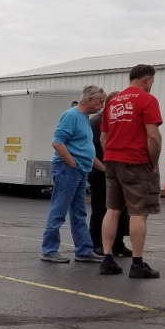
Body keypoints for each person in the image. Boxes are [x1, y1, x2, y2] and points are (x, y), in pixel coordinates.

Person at [99, 64, 163, 278]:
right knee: (138, 212)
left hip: (112, 160)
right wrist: (153, 162)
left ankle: (107, 259)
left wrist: (111, 156)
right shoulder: (147, 100)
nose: (151, 85)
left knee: (112, 209)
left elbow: (103, 138)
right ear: (147, 79)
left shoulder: (113, 102)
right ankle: (137, 263)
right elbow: (153, 136)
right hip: (136, 161)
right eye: (152, 81)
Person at [41, 85, 106, 264]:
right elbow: (57, 142)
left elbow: (85, 149)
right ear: (90, 99)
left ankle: (84, 250)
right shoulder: (71, 116)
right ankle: (49, 250)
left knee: (79, 212)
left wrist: (102, 168)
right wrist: (72, 163)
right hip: (68, 170)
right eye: (100, 102)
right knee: (59, 210)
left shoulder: (84, 118)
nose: (102, 106)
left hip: (80, 171)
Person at [88, 90, 130, 257]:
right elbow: (91, 148)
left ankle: (118, 243)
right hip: (100, 172)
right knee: (101, 208)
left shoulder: (117, 121)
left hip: (117, 170)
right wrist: (101, 166)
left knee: (120, 209)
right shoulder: (97, 122)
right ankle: (97, 243)